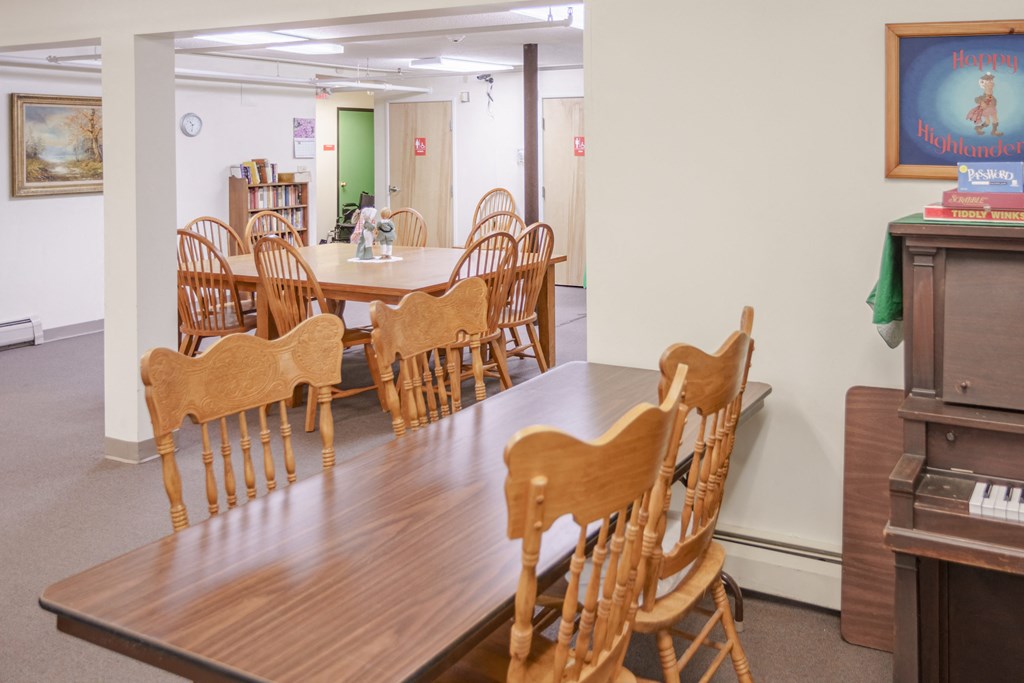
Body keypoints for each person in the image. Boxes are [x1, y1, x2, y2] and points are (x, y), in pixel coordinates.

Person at [966, 72, 1004, 137]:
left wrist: (992, 101)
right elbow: (979, 98)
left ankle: (994, 131)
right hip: (987, 106)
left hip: (991, 105)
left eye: (991, 79)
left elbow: (990, 94)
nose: (991, 82)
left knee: (995, 119)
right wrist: (982, 101)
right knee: (988, 122)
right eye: (989, 80)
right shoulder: (986, 87)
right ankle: (979, 128)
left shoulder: (990, 86)